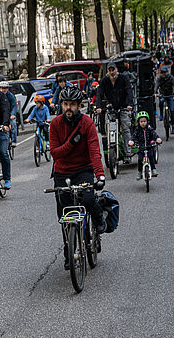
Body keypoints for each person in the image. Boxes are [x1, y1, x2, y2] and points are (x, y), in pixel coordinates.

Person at [49, 85, 107, 270]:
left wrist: (100, 175)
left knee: (88, 198)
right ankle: (69, 253)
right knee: (64, 215)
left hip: (83, 170)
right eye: (65, 104)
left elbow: (94, 151)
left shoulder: (87, 123)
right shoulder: (55, 124)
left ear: (79, 106)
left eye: (72, 104)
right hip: (61, 172)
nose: (68, 108)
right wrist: (72, 143)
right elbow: (56, 153)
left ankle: (99, 219)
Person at [96, 62, 134, 152]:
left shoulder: (123, 78)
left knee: (125, 128)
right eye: (110, 70)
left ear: (117, 69)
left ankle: (128, 150)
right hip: (111, 108)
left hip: (123, 107)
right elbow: (99, 93)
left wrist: (129, 104)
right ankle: (110, 146)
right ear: (108, 71)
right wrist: (98, 106)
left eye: (113, 70)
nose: (112, 72)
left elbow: (129, 91)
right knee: (109, 127)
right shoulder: (104, 80)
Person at [128, 111, 163, 179]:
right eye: (141, 121)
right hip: (141, 147)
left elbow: (154, 134)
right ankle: (139, 172)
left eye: (144, 121)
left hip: (149, 146)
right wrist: (131, 141)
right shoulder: (137, 129)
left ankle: (153, 169)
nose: (143, 123)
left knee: (151, 157)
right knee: (140, 159)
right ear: (138, 122)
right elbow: (134, 136)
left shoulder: (149, 128)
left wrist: (158, 139)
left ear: (147, 121)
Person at [156, 65, 174, 134]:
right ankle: (161, 115)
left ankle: (173, 127)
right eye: (162, 72)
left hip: (170, 95)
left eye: (164, 72)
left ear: (167, 72)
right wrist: (155, 93)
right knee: (161, 101)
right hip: (162, 94)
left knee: (172, 110)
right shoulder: (159, 78)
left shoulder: (171, 78)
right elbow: (156, 85)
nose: (163, 74)